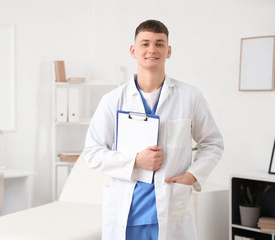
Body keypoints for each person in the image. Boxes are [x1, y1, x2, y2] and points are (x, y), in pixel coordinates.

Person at [84, 19, 224, 240]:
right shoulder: (112, 100)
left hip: (170, 208)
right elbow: (92, 153)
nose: (152, 49)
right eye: (145, 43)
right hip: (128, 213)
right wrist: (136, 161)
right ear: (133, 50)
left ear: (168, 51)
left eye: (159, 44)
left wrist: (193, 175)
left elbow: (212, 143)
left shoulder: (189, 96)